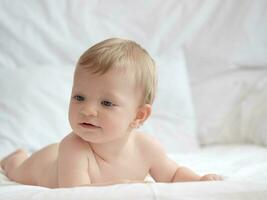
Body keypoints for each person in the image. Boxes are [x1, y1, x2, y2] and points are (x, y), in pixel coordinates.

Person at [0, 38, 223, 188]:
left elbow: (173, 175)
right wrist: (120, 189)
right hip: (44, 164)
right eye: (79, 97)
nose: (87, 109)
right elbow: (76, 193)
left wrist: (199, 179)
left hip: (52, 158)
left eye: (106, 103)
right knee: (17, 170)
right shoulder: (74, 148)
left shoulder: (147, 148)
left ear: (139, 116)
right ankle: (15, 158)